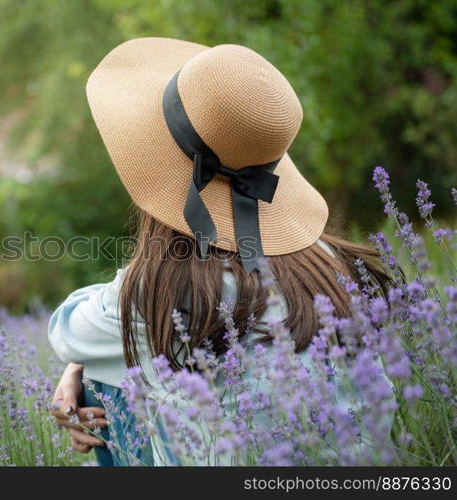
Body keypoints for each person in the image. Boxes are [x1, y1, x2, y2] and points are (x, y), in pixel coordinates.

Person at [48, 38, 391, 465]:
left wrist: (81, 367)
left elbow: (68, 329)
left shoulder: (162, 292)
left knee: (107, 382)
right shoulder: (332, 264)